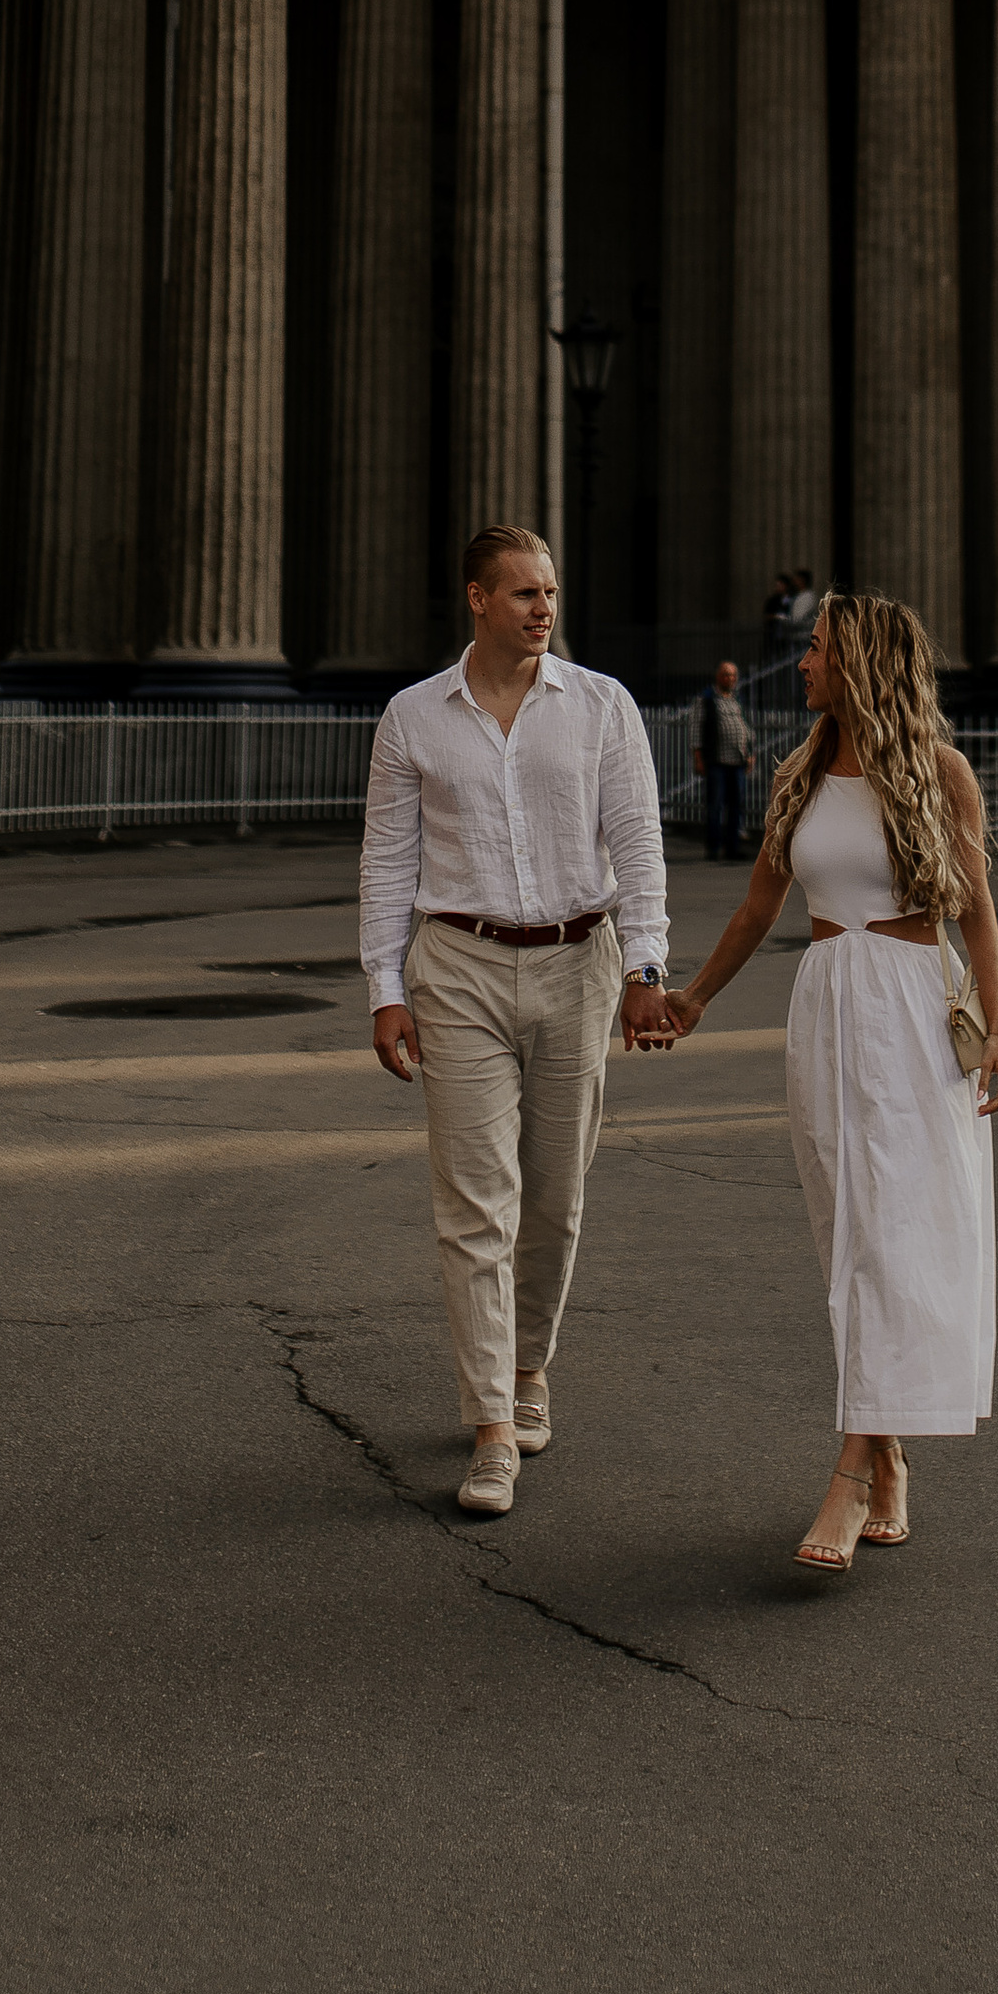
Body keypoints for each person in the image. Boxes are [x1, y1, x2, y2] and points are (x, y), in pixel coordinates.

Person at [664, 588, 998, 1570]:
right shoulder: (798, 772)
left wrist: (996, 1035)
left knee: (901, 1236)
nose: (802, 660)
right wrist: (692, 1001)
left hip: (909, 1009)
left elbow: (976, 911)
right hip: (823, 1007)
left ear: (859, 661)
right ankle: (888, 1447)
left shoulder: (938, 772)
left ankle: (851, 1471)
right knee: (847, 1237)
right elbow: (755, 906)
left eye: (816, 648)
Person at [360, 525, 675, 1517]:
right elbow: (388, 859)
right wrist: (384, 984)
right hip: (456, 966)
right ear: (477, 599)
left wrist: (644, 963)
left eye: (550, 592)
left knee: (554, 1200)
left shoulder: (600, 706)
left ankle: (530, 1368)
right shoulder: (414, 718)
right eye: (525, 593)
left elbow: (636, 836)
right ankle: (491, 1423)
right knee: (474, 1205)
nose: (544, 608)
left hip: (579, 965)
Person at [696, 657, 752, 863]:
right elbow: (696, 729)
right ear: (718, 677)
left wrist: (749, 752)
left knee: (736, 806)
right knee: (716, 805)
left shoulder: (736, 700)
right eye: (726, 674)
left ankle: (733, 847)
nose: (730, 679)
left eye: (733, 675)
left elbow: (744, 728)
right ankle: (713, 847)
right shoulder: (708, 699)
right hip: (717, 761)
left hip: (737, 762)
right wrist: (698, 757)